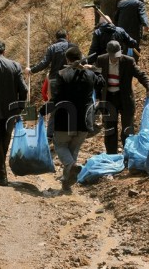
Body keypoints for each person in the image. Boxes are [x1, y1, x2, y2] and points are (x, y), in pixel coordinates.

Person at [52, 47, 103, 191]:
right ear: (81, 58)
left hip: (64, 120)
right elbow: (102, 83)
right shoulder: (90, 75)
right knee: (73, 150)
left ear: (67, 59)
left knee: (60, 145)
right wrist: (94, 69)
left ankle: (70, 167)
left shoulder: (62, 74)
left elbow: (56, 97)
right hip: (83, 121)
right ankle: (67, 183)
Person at [95, 41, 149, 154]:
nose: (115, 59)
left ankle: (128, 153)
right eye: (112, 57)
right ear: (108, 53)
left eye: (117, 56)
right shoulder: (101, 60)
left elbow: (141, 75)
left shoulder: (128, 61)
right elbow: (96, 79)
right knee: (110, 129)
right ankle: (111, 155)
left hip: (125, 98)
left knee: (127, 128)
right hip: (108, 99)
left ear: (121, 52)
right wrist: (98, 97)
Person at [0, 39, 28, 187]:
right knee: (5, 139)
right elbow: (24, 89)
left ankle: (0, 173)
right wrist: (20, 107)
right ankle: (0, 170)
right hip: (11, 110)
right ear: (4, 51)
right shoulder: (15, 65)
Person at [26, 30, 76, 138]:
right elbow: (82, 61)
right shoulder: (72, 46)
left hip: (55, 80)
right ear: (67, 36)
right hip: (70, 79)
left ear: (56, 38)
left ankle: (50, 134)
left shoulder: (52, 48)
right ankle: (68, 131)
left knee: (54, 106)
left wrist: (32, 70)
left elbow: (44, 63)